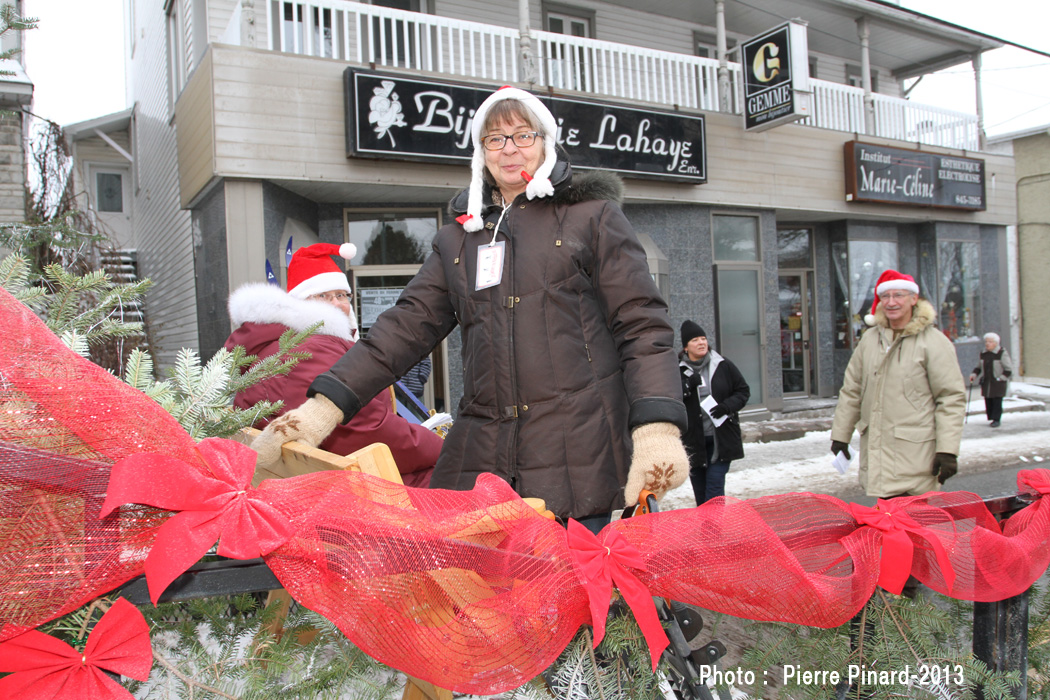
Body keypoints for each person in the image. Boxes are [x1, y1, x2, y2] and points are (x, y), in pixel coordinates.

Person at [251, 86, 689, 532]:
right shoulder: (460, 240)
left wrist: (657, 428)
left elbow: (642, 326)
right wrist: (325, 406)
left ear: (547, 141)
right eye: (495, 139)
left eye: (523, 135)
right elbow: (403, 329)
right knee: (488, 595)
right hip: (486, 454)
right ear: (482, 153)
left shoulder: (592, 218)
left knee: (571, 594)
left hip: (576, 452)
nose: (509, 150)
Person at [224, 242, 442, 488]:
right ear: (299, 304)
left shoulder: (276, 343)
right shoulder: (313, 349)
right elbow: (365, 431)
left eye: (341, 295)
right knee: (467, 478)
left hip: (315, 479)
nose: (337, 304)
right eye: (323, 296)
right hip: (352, 488)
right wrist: (442, 447)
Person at [830, 269, 966, 498]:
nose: (891, 302)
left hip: (916, 460)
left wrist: (947, 451)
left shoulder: (933, 342)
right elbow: (852, 391)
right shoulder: (870, 340)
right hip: (878, 457)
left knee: (912, 527)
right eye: (886, 296)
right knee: (887, 525)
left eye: (899, 295)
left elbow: (950, 398)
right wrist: (840, 435)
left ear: (914, 299)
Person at [678, 321, 750, 505]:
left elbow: (743, 391)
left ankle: (715, 531)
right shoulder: (677, 371)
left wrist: (726, 406)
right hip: (694, 441)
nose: (701, 343)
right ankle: (708, 531)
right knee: (701, 494)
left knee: (714, 488)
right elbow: (671, 398)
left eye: (703, 338)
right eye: (695, 340)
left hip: (721, 439)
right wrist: (687, 386)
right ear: (686, 347)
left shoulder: (723, 365)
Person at [969, 332, 1014, 428]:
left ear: (996, 343)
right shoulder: (983, 353)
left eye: (990, 342)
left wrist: (1001, 378)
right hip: (987, 382)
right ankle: (991, 417)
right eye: (986, 342)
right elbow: (979, 367)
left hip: (998, 383)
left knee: (997, 401)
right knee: (988, 400)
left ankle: (996, 419)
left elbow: (1008, 369)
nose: (987, 344)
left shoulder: (1001, 353)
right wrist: (974, 374)